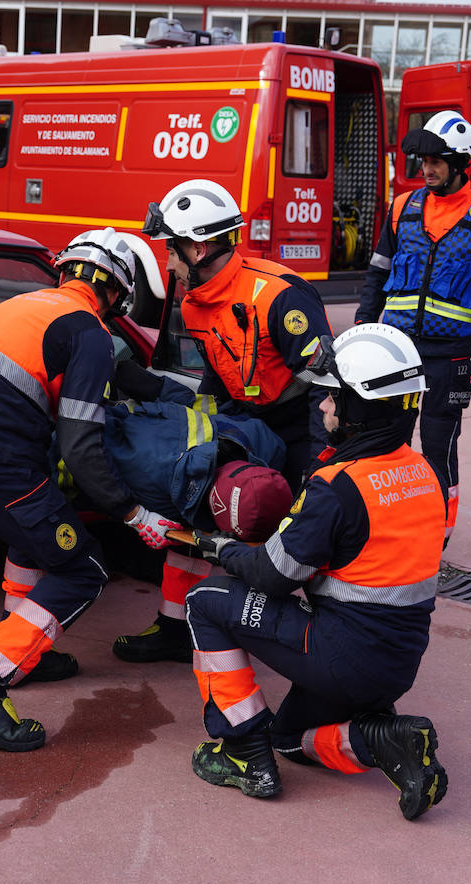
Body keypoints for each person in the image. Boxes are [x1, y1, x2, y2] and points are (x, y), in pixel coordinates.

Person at [0, 227, 180, 752]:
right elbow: (82, 445)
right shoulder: (86, 329)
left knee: (33, 537)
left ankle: (22, 651)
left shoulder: (24, 307)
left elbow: (120, 377)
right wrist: (133, 514)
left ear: (66, 270)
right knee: (84, 567)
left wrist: (183, 390)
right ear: (118, 293)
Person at [179, 322, 448, 820]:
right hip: (396, 663)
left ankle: (242, 752)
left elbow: (275, 575)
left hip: (343, 656)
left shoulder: (338, 486)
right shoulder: (424, 471)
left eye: (332, 397)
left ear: (361, 407)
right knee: (290, 739)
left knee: (205, 602)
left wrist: (221, 549)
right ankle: (382, 739)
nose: (323, 407)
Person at [112, 179, 334, 664]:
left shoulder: (279, 296)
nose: (167, 263)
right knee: (194, 503)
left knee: (302, 529)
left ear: (198, 246)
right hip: (245, 420)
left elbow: (324, 383)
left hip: (300, 425)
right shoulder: (194, 302)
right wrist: (206, 438)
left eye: (171, 251)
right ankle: (174, 626)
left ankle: (320, 637)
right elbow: (216, 375)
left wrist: (319, 465)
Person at [354, 110, 471, 545]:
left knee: (440, 444)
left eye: (436, 161)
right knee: (385, 439)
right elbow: (376, 277)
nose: (425, 169)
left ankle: (436, 532)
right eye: (422, 160)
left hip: (453, 359)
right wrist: (360, 331)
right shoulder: (401, 209)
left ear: (463, 164)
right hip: (395, 352)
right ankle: (385, 522)